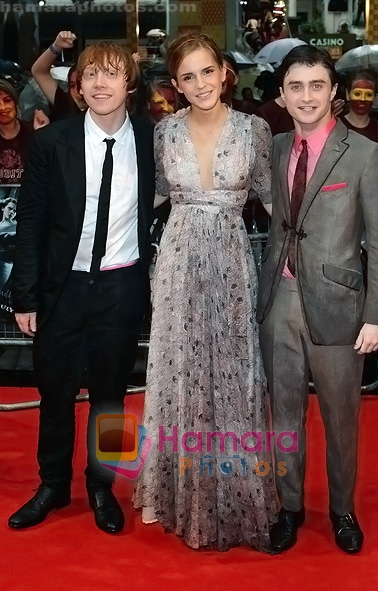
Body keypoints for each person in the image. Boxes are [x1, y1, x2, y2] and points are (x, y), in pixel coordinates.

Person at [133, 31, 278, 552]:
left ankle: (235, 493)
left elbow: (273, 199)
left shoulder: (254, 130)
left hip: (233, 260)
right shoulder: (163, 132)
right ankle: (181, 495)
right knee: (180, 372)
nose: (200, 84)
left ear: (225, 72)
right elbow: (148, 199)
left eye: (207, 72)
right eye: (187, 77)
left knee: (234, 375)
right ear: (175, 84)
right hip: (176, 262)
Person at [8, 42, 155, 534]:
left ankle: (103, 486)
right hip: (62, 288)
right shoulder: (54, 143)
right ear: (79, 84)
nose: (99, 84)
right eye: (90, 74)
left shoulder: (152, 141)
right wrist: (24, 295)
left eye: (111, 75)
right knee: (54, 393)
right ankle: (51, 485)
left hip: (121, 287)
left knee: (112, 399)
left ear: (129, 84)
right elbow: (30, 223)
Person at [257, 45, 378, 555]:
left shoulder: (364, 155)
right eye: (296, 87)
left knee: (342, 418)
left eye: (317, 85)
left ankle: (343, 510)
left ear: (334, 93)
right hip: (279, 300)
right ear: (282, 95)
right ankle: (289, 507)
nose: (307, 96)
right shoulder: (272, 148)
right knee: (284, 416)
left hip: (341, 308)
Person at [341, 71, 378, 172]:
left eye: (368, 94)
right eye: (357, 93)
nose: (363, 99)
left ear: (375, 97)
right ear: (347, 94)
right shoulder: (335, 126)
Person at [31, 30, 87, 121]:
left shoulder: (108, 109)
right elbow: (38, 71)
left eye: (80, 83)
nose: (77, 90)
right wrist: (56, 46)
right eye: (72, 85)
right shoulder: (66, 106)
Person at [0, 197, 17, 292]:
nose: (12, 212)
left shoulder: (17, 227)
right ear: (3, 208)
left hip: (4, 264)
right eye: (10, 208)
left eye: (14, 211)